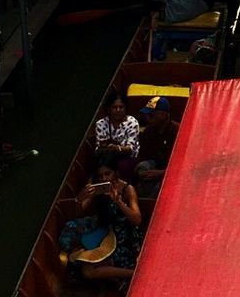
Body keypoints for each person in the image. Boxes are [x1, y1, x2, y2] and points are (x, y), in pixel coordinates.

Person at [70, 152, 143, 282]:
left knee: (88, 271)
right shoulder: (98, 187)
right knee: (77, 260)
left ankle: (132, 274)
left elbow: (137, 220)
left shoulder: (127, 189)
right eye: (100, 175)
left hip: (125, 237)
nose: (104, 178)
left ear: (115, 172)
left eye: (107, 174)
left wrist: (119, 202)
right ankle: (121, 275)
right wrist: (80, 199)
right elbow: (78, 214)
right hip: (106, 232)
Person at [135, 97, 180, 196]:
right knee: (143, 167)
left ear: (165, 114)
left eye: (152, 114)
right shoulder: (148, 131)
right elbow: (142, 155)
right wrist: (140, 171)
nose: (148, 117)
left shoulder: (178, 131)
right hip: (153, 168)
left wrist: (163, 173)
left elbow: (183, 164)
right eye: (147, 114)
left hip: (171, 173)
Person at [95, 91, 140, 179]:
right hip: (106, 157)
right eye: (114, 107)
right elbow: (101, 147)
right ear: (109, 109)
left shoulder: (132, 122)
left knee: (122, 166)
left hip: (127, 156)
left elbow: (130, 149)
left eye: (121, 107)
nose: (118, 110)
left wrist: (117, 148)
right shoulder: (101, 123)